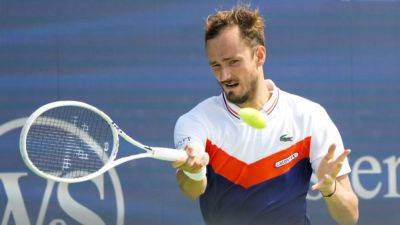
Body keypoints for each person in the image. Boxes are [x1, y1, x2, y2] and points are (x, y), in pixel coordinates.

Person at [172, 5, 359, 225]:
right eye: (216, 65)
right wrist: (194, 171)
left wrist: (330, 188)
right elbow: (192, 190)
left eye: (233, 62)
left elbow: (350, 217)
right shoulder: (196, 121)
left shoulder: (309, 116)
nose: (224, 75)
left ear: (259, 56)